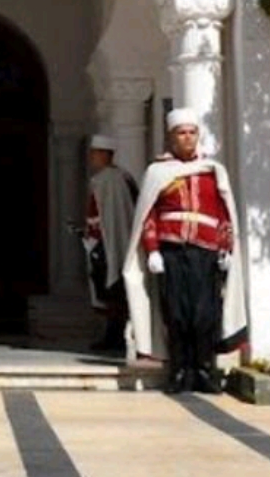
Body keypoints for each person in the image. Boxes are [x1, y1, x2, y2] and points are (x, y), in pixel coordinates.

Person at [121, 107, 248, 393]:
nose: (187, 138)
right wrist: (152, 249)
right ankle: (179, 371)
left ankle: (203, 369)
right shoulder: (157, 172)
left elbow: (225, 212)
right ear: (171, 137)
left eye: (192, 133)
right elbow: (148, 214)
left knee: (204, 314)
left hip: (206, 251)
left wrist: (226, 247)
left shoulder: (212, 170)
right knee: (177, 314)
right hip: (172, 251)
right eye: (182, 133)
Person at [82, 134, 139, 353]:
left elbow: (107, 214)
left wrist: (96, 234)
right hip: (105, 240)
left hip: (110, 242)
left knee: (113, 290)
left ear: (105, 154)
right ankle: (111, 335)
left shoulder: (110, 180)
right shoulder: (118, 177)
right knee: (107, 288)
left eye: (95, 153)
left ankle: (115, 337)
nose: (92, 157)